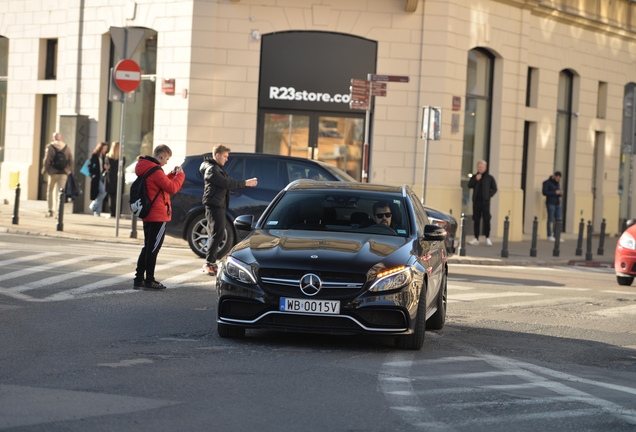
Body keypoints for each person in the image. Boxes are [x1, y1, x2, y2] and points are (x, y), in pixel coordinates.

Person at [200, 144, 258, 276]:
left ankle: (211, 263)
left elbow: (230, 181)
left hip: (218, 204)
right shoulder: (212, 170)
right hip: (213, 205)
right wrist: (246, 183)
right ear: (217, 155)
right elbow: (226, 183)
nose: (226, 159)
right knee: (217, 234)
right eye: (225, 156)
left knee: (218, 233)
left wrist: (245, 183)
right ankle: (208, 263)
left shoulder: (217, 168)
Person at [134, 144, 185, 290]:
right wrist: (180, 175)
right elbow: (172, 188)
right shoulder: (155, 170)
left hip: (148, 214)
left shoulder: (147, 168)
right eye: (167, 159)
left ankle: (139, 279)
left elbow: (161, 183)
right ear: (161, 156)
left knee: (147, 247)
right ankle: (149, 280)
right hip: (158, 215)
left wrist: (172, 175)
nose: (167, 162)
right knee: (152, 249)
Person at [41, 132, 73, 218]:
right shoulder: (66, 147)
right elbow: (70, 160)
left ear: (53, 138)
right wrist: (69, 170)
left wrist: (44, 169)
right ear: (61, 138)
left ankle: (50, 210)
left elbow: (46, 159)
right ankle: (59, 212)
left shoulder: (50, 147)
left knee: (50, 191)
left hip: (52, 172)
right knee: (61, 193)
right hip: (63, 173)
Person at [468, 160, 497, 246]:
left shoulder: (489, 178)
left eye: (482, 167)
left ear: (485, 167)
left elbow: (494, 189)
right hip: (476, 202)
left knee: (486, 219)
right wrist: (475, 179)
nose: (481, 168)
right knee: (476, 219)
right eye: (479, 167)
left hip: (485, 202)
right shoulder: (475, 176)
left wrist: (489, 196)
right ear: (477, 167)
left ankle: (487, 237)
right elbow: (469, 185)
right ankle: (476, 238)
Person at [105, 141, 125, 219]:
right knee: (119, 196)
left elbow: (106, 166)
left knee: (111, 197)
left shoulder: (108, 157)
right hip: (119, 178)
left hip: (110, 178)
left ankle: (112, 213)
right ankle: (118, 213)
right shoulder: (122, 157)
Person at [88, 142, 109, 217]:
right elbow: (90, 165)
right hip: (96, 176)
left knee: (100, 192)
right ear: (100, 148)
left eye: (106, 149)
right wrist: (92, 173)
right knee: (103, 191)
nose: (105, 150)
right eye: (104, 148)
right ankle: (93, 206)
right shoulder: (95, 155)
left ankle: (97, 212)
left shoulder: (103, 156)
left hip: (102, 175)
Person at [543, 171, 564, 242]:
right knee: (550, 219)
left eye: (559, 179)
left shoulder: (557, 183)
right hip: (550, 203)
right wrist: (555, 192)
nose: (558, 180)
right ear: (554, 176)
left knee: (559, 219)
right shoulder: (547, 182)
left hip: (557, 203)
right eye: (557, 178)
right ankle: (549, 235)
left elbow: (557, 192)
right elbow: (544, 192)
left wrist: (560, 193)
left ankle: (557, 236)